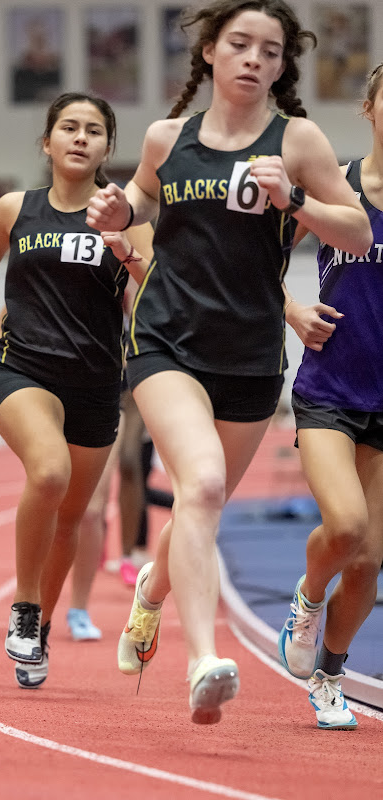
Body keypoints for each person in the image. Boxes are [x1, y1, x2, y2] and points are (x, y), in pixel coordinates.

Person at [86, 0, 372, 725]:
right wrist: (121, 216)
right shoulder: (166, 136)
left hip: (248, 355)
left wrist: (297, 198)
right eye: (239, 44)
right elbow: (143, 206)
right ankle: (203, 662)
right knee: (203, 484)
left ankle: (153, 589)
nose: (253, 59)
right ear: (210, 52)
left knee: (197, 508)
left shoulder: (297, 140)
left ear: (281, 66)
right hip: (165, 343)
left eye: (269, 51)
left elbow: (360, 231)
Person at [0, 92, 152, 687]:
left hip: (96, 383)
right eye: (67, 127)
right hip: (22, 370)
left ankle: (39, 630)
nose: (79, 137)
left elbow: (153, 294)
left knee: (71, 517)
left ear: (108, 149)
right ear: (46, 142)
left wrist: (130, 254)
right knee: (48, 473)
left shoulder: (127, 219)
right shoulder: (16, 208)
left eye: (93, 130)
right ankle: (23, 604)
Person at [278, 62, 383, 730]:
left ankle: (329, 675)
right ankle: (307, 596)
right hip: (330, 387)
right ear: (369, 107)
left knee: (370, 562)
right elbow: (255, 259)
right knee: (344, 528)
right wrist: (291, 311)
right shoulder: (337, 187)